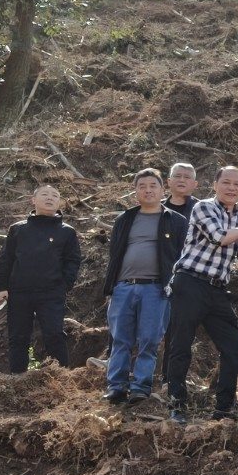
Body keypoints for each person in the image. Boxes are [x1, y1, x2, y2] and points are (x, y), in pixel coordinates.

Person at [161, 165, 238, 424]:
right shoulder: (203, 207)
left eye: (237, 184)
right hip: (190, 282)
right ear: (215, 185)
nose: (231, 188)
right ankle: (177, 404)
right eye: (226, 183)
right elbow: (219, 237)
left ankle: (224, 408)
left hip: (217, 289)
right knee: (181, 344)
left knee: (233, 345)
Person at [101, 168, 187, 402]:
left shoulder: (176, 221)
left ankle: (141, 386)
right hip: (124, 287)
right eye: (142, 186)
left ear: (162, 189)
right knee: (120, 339)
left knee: (150, 339)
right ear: (135, 191)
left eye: (153, 186)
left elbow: (183, 255)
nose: (148, 190)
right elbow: (115, 254)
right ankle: (116, 386)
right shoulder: (125, 219)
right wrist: (112, 286)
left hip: (157, 289)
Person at [0, 184, 82, 374]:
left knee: (54, 334)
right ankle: (17, 379)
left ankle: (61, 376)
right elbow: (6, 259)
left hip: (51, 292)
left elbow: (72, 261)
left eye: (55, 195)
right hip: (19, 291)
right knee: (18, 337)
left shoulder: (66, 232)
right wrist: (1, 286)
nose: (50, 198)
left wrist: (64, 284)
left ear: (61, 203)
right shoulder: (18, 229)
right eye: (45, 194)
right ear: (33, 200)